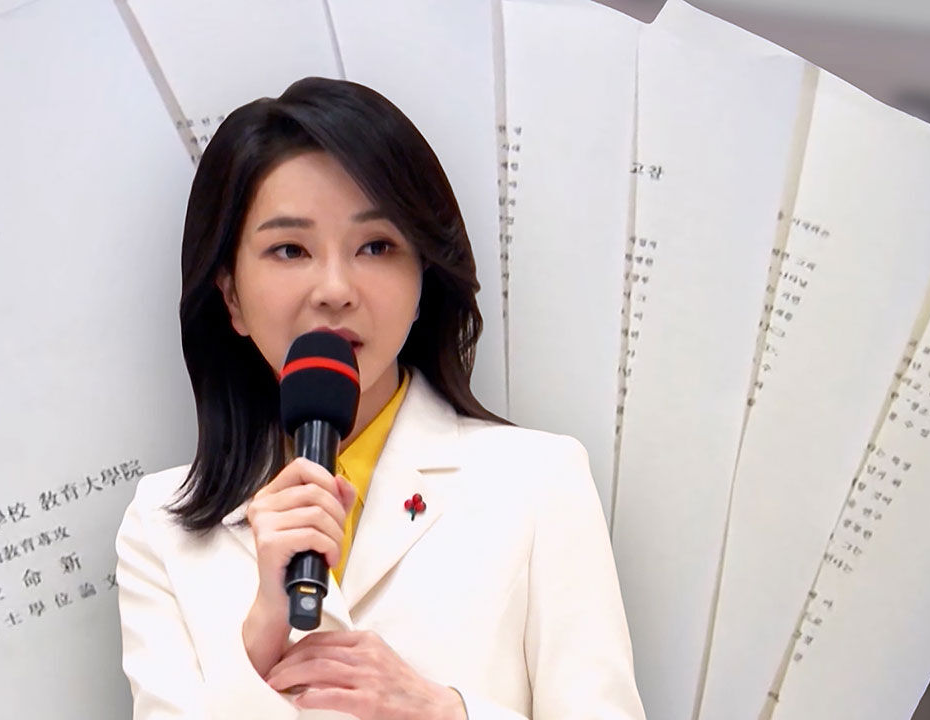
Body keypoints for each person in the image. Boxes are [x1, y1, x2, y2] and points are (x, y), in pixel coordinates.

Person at [115, 76, 645, 720]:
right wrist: (259, 639)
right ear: (231, 297)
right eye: (290, 249)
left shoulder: (538, 481)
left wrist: (444, 712)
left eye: (376, 246)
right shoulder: (160, 528)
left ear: (422, 279)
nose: (335, 289)